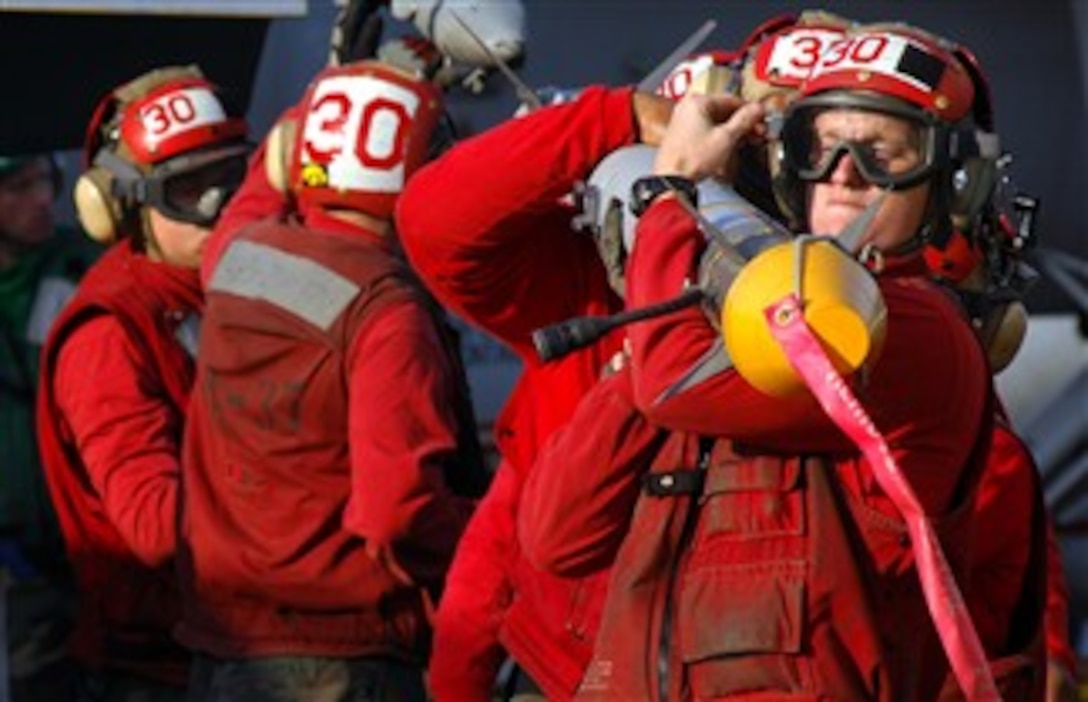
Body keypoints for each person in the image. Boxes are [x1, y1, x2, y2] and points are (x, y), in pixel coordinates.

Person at [518, 22, 1049, 701]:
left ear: (953, 181)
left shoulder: (918, 332)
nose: (845, 173)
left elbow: (676, 383)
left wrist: (665, 198)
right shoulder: (714, 332)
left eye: (884, 150)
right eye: (820, 146)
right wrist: (690, 297)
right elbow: (558, 537)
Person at [176, 57, 483, 702]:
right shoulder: (388, 316)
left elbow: (262, 186)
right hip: (344, 661)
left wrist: (328, 95)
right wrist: (494, 537)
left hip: (225, 651)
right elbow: (398, 512)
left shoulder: (235, 258)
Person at [35, 65, 251, 701]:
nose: (219, 209)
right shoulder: (109, 333)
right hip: (157, 674)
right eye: (190, 190)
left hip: (228, 653)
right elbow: (158, 527)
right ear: (124, 206)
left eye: (230, 178)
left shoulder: (236, 286)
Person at [0, 150, 99, 701]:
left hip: (72, 557)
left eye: (47, 180)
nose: (43, 199)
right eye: (18, 185)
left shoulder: (81, 267)